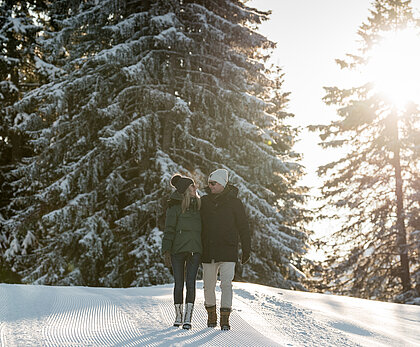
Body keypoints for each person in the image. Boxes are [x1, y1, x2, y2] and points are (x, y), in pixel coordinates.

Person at [200, 168, 251, 330]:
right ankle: (211, 314)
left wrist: (247, 248)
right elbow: (197, 225)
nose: (210, 186)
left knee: (226, 284)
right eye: (209, 183)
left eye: (213, 183)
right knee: (208, 285)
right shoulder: (205, 201)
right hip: (208, 251)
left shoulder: (235, 203)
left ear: (222, 183)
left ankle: (225, 318)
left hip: (228, 250)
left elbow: (243, 227)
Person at [162, 174, 202, 330]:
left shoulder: (200, 206)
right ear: (186, 189)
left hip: (195, 251)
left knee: (190, 284)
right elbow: (169, 230)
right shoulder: (175, 207)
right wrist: (166, 251)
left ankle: (188, 318)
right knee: (179, 284)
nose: (195, 188)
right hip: (177, 251)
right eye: (192, 186)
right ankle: (178, 316)